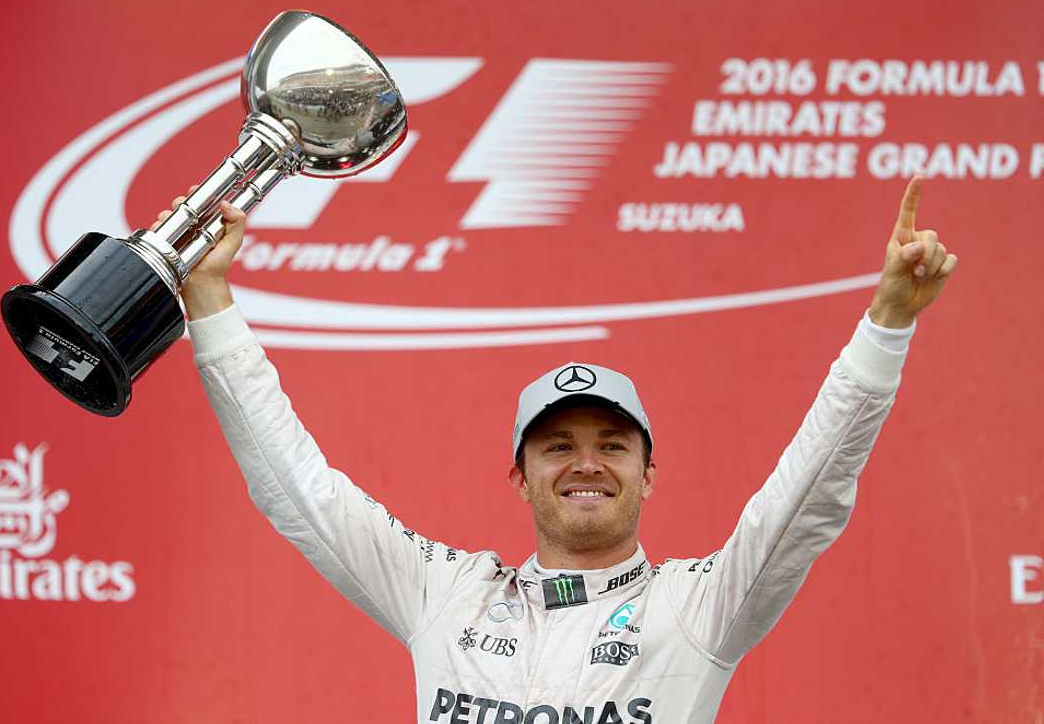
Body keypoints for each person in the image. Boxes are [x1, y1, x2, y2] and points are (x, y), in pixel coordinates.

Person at [166, 176, 956, 724]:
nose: (586, 463)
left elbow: (809, 492)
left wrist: (886, 325)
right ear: (520, 475)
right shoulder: (448, 593)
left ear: (649, 474)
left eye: (613, 444)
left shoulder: (698, 606)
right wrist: (209, 299)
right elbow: (298, 489)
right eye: (557, 445)